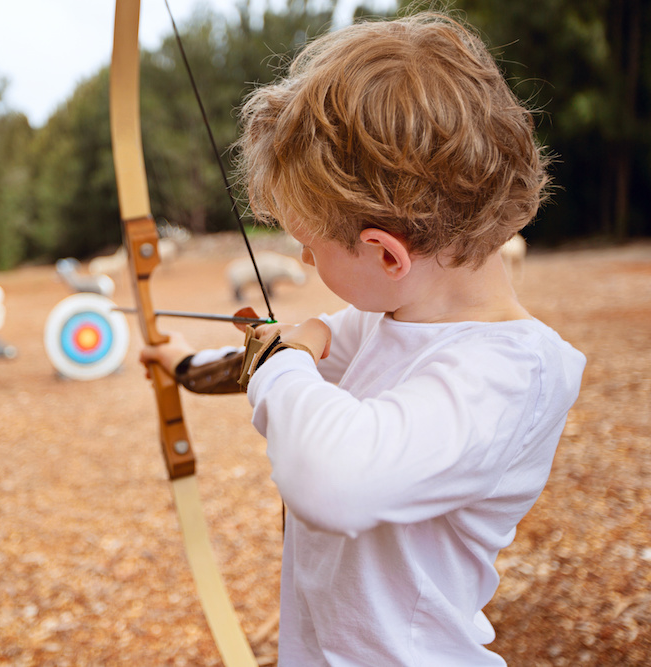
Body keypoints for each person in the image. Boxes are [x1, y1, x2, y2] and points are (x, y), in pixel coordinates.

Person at [139, 11, 586, 666]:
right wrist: (186, 365)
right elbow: (281, 355)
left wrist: (283, 361)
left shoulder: (507, 374)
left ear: (385, 255)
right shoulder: (395, 318)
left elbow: (330, 477)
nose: (303, 258)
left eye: (309, 247)